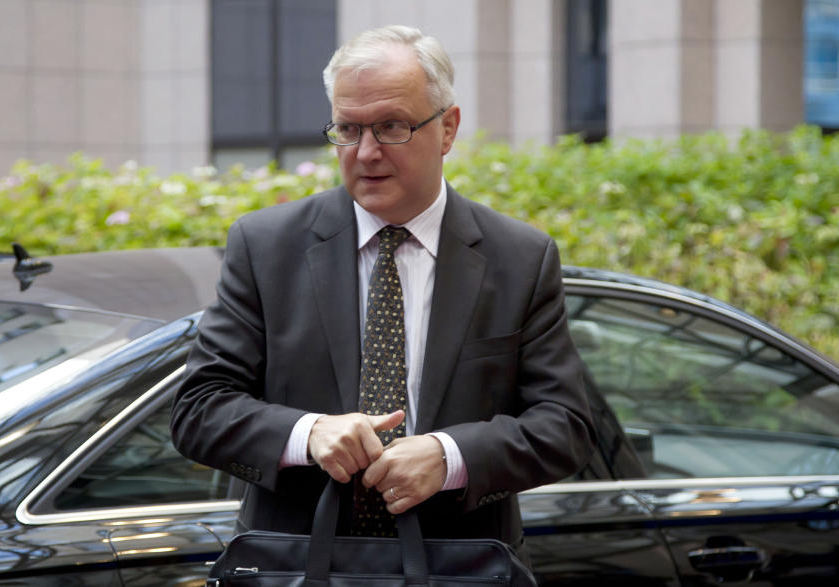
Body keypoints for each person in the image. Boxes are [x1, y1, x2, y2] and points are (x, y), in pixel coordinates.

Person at [171, 24, 595, 558]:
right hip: (295, 565)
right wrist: (309, 434)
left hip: (461, 565)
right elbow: (198, 410)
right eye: (348, 129)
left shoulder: (519, 258)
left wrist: (449, 456)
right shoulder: (265, 246)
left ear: (448, 129)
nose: (366, 152)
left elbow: (565, 426)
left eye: (391, 126)